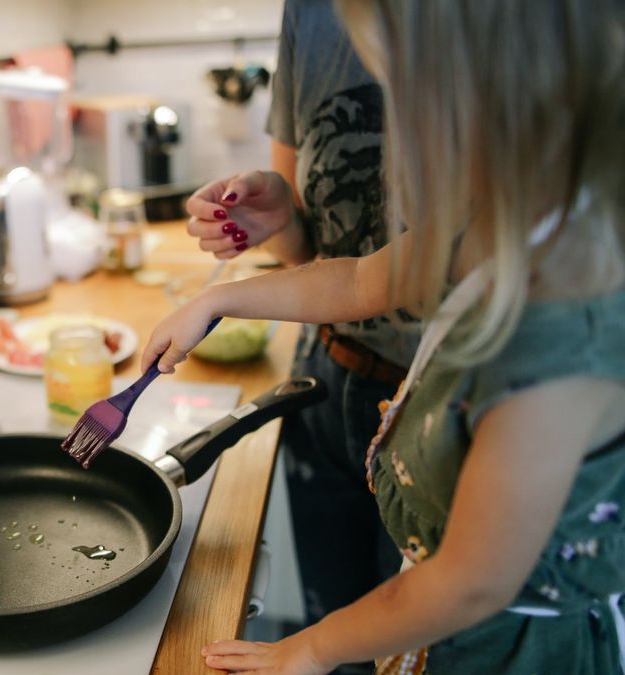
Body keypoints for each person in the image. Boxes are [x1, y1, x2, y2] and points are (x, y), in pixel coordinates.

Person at [145, 0, 625, 672]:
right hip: (438, 623)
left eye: (406, 92)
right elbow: (357, 281)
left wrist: (312, 647)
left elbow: (469, 583)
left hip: (504, 650)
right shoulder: (502, 221)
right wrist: (217, 300)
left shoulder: (558, 342)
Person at [187, 0, 406, 648]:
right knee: (333, 626)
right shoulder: (310, 13)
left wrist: (220, 300)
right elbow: (327, 259)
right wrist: (279, 218)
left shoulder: (515, 27)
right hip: (326, 385)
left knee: (408, 644)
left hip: (446, 402)